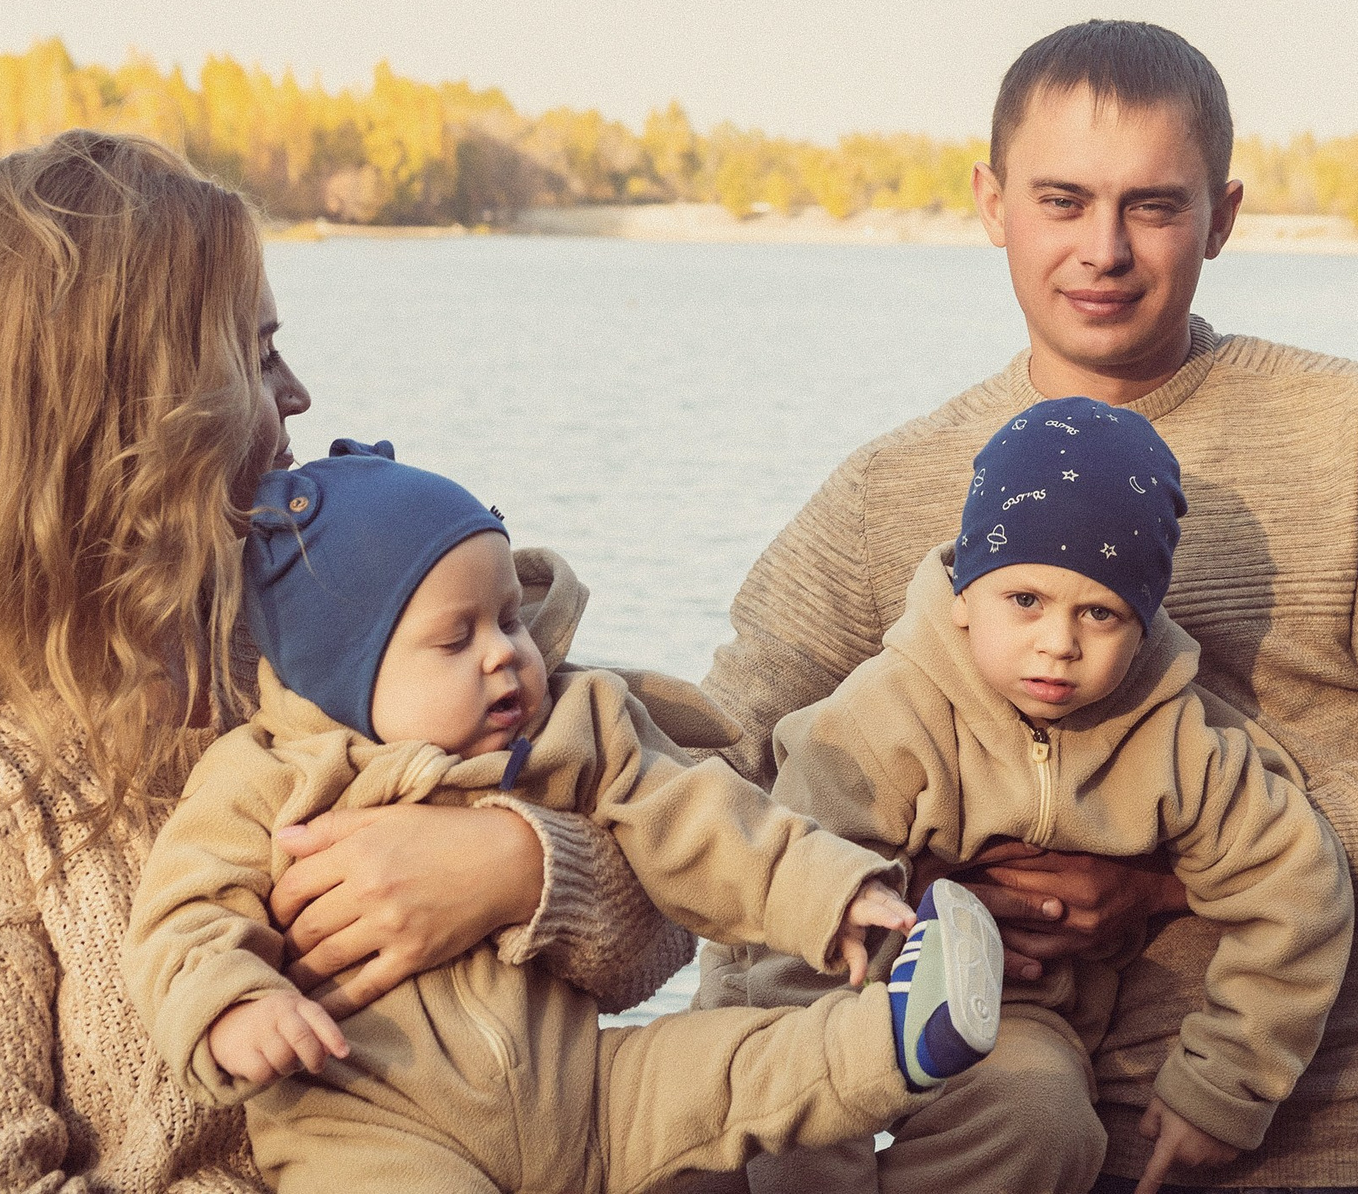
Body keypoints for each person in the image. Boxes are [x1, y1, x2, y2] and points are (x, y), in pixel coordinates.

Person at [0, 130, 693, 1193]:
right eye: (258, 355)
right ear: (126, 414)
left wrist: (516, 869)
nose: (300, 394)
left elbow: (675, 895)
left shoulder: (314, 637)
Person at [700, 22, 1358, 1192]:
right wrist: (518, 865)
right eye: (1062, 201)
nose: (1103, 250)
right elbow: (724, 767)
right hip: (1011, 1143)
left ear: (1221, 217)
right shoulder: (888, 489)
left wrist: (1172, 875)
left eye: (1151, 206)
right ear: (992, 203)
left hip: (1350, 1137)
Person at [126, 440, 1008, 1193]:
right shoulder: (261, 778)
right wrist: (236, 1007)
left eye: (510, 618)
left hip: (581, 1092)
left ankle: (900, 1036)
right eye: (456, 637)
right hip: (371, 1121)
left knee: (732, 1063)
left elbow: (697, 816)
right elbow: (187, 915)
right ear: (341, 671)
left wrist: (830, 892)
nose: (505, 655)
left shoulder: (566, 727)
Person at [716, 401, 1354, 1194]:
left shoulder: (1178, 738)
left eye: (1100, 612)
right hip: (804, 996)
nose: (1059, 643)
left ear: (1144, 622)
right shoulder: (878, 720)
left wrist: (1224, 1086)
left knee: (1045, 1118)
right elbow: (794, 931)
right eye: (1025, 600)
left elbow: (1296, 883)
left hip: (1005, 1009)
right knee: (747, 1141)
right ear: (964, 592)